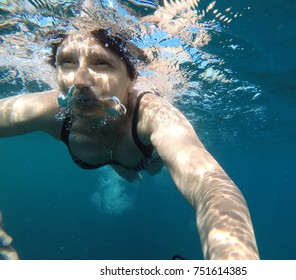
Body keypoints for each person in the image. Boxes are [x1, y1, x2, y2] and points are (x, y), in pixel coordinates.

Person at [0, 28, 259, 260]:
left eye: (101, 64)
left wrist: (233, 262)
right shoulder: (44, 109)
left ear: (131, 79)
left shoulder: (151, 113)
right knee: (125, 171)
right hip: (119, 155)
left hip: (144, 155)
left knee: (149, 167)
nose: (79, 81)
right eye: (67, 62)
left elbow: (209, 183)